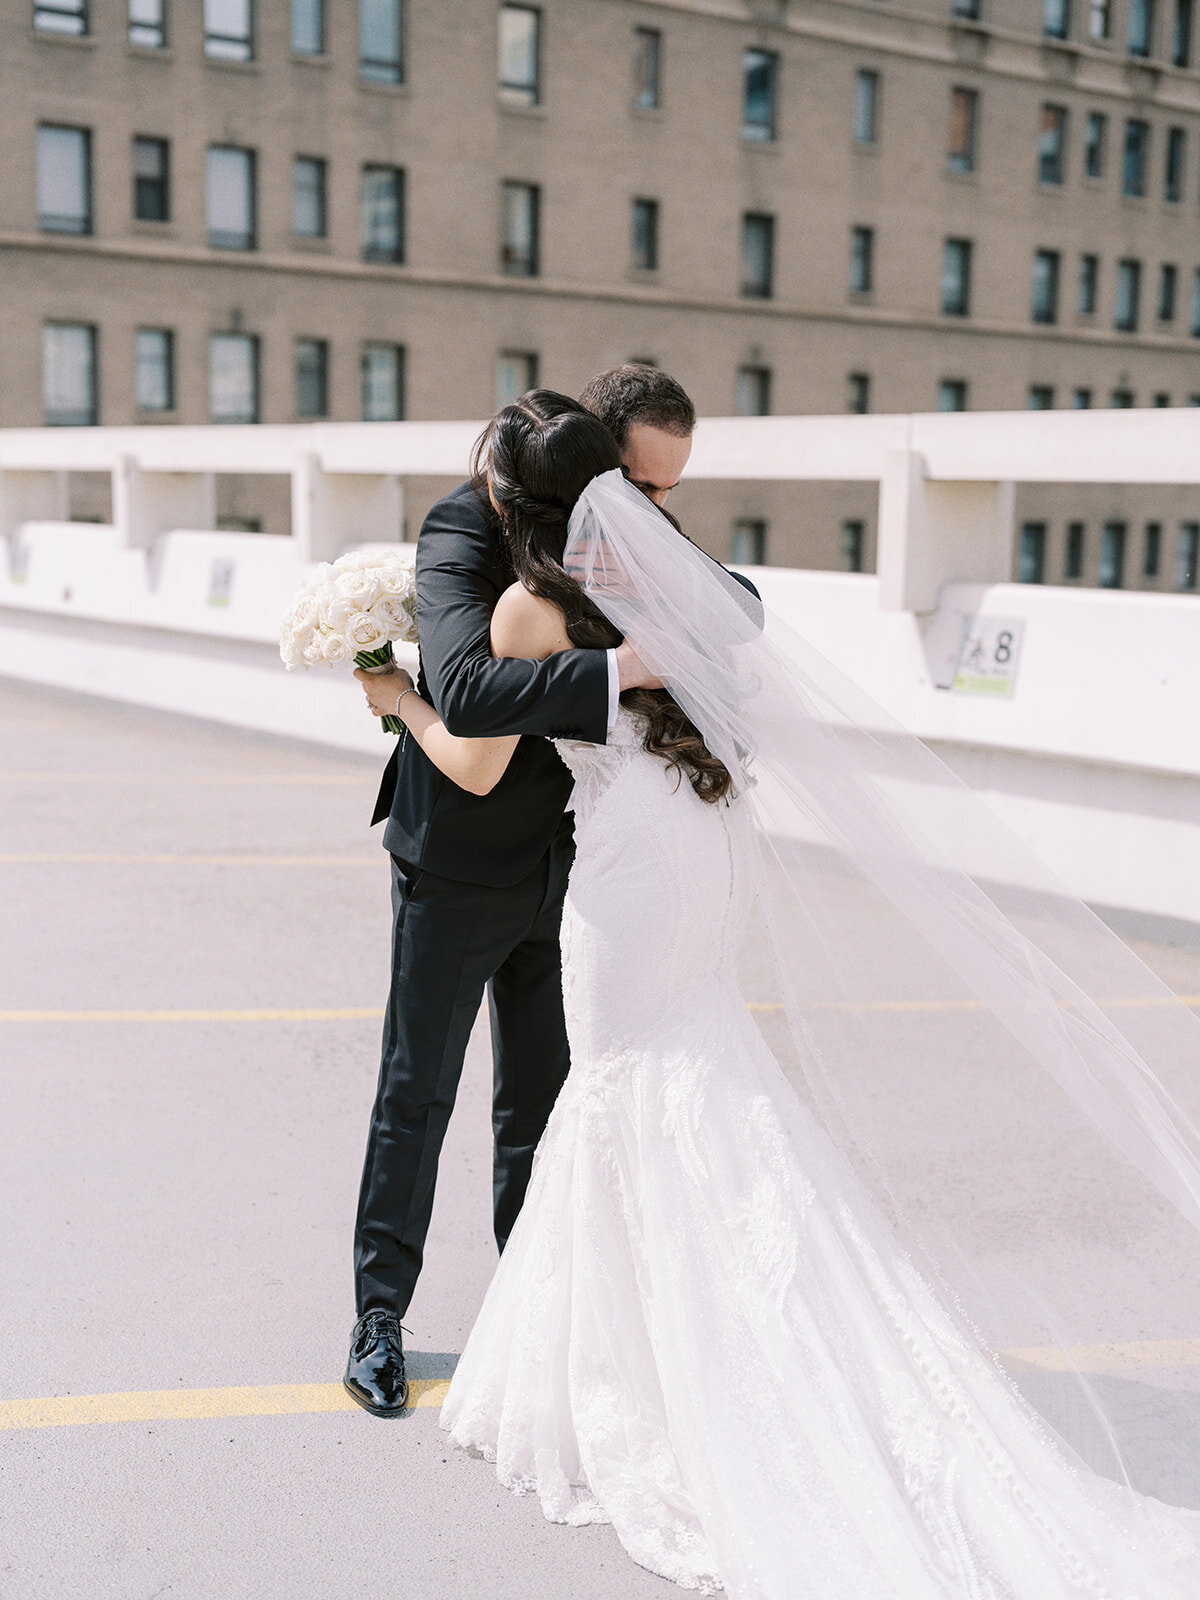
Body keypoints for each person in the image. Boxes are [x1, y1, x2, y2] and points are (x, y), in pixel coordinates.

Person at [372, 393, 1200, 1596]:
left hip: (626, 872)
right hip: (691, 839)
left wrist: (390, 692)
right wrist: (633, 653)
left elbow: (473, 730)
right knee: (687, 1074)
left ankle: (654, 1371)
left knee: (618, 1088)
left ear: (512, 497)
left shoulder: (525, 601)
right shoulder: (647, 574)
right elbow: (736, 619)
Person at [346, 368, 755, 1417]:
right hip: (456, 858)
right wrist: (628, 665)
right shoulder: (464, 531)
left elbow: (741, 605)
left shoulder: (615, 522)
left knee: (540, 1106)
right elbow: (473, 691)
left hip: (577, 869)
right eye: (642, 487)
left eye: (664, 494)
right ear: (595, 467)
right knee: (417, 1094)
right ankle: (379, 1317)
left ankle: (540, 1324)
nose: (657, 511)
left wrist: (659, 580)